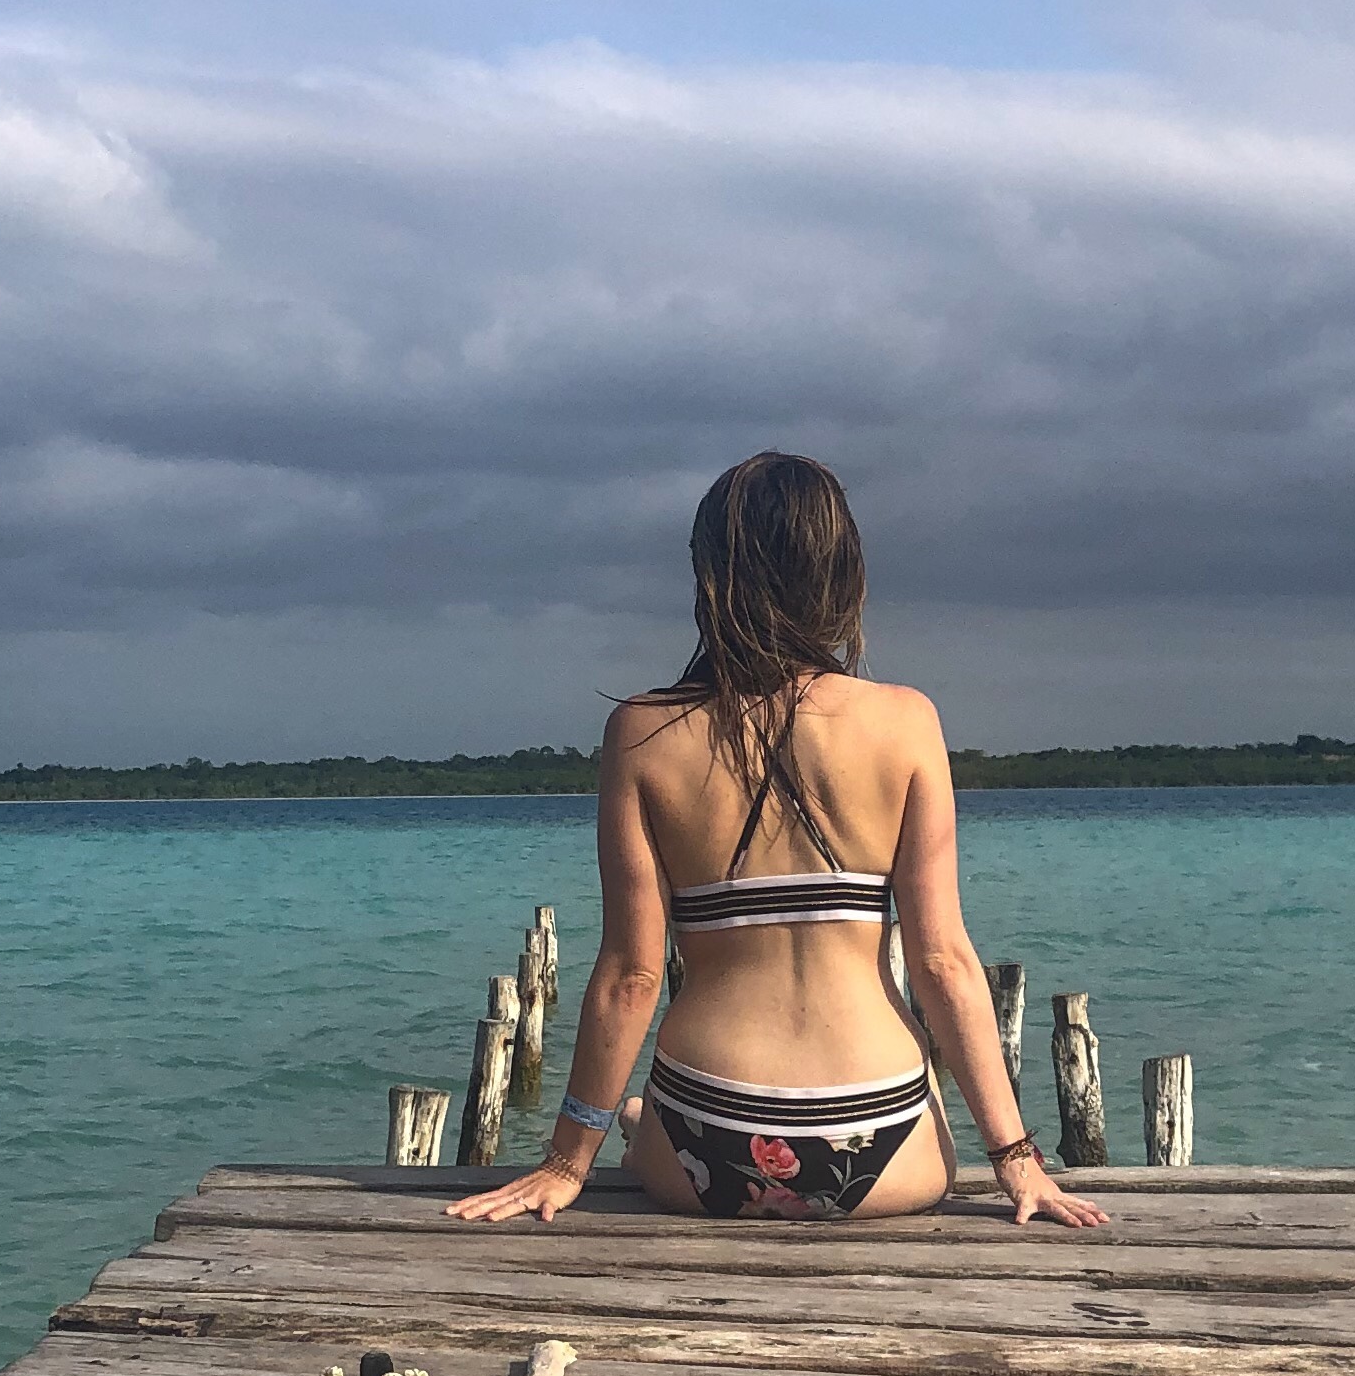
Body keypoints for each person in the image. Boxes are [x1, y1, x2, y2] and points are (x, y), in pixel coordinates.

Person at [452, 451, 1108, 1231]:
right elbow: (942, 964)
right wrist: (1017, 1159)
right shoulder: (907, 722)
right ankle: (643, 1121)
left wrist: (565, 1164)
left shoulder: (642, 733)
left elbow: (632, 976)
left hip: (707, 1139)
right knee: (907, 1079)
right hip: (883, 1140)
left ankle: (637, 1123)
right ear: (843, 576)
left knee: (639, 1114)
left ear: (710, 577)